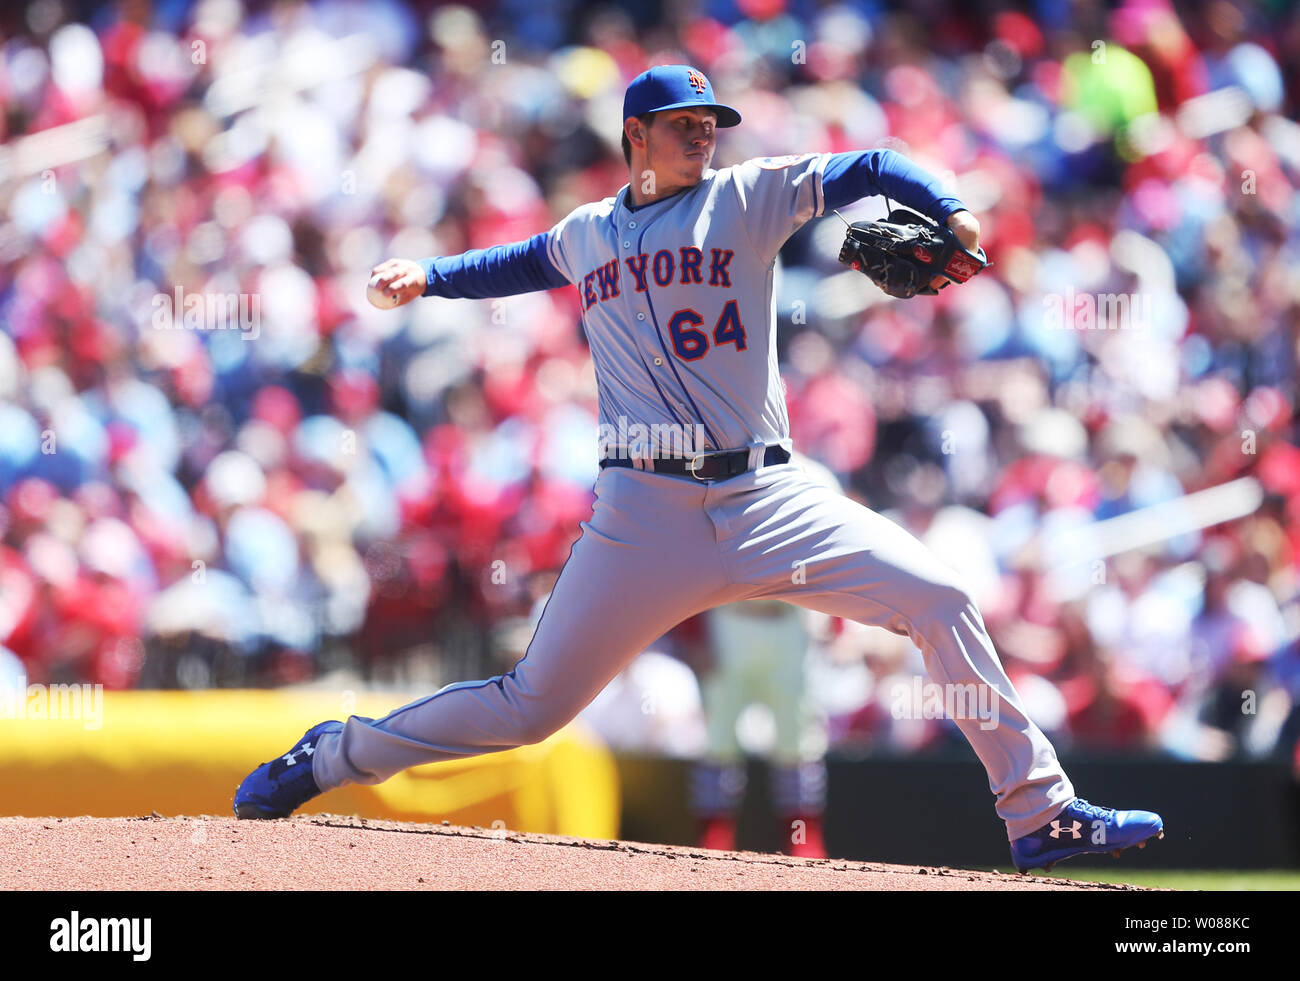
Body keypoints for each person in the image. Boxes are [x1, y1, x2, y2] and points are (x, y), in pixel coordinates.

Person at [234, 65, 1164, 874]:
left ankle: (1039, 811)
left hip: (769, 497)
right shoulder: (588, 231)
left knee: (939, 595)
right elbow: (517, 262)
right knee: (528, 710)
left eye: (710, 126)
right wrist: (431, 277)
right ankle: (331, 757)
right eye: (685, 127)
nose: (703, 140)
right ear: (634, 134)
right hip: (645, 515)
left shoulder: (746, 196)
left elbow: (872, 167)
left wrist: (949, 209)